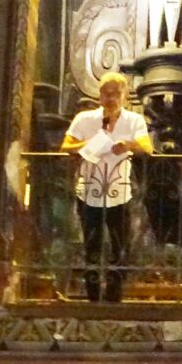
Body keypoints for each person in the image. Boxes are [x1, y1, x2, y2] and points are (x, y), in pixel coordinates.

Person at [60, 72, 153, 302]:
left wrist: (127, 144)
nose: (110, 98)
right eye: (106, 93)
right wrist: (90, 143)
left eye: (116, 93)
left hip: (119, 191)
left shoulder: (134, 120)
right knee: (91, 243)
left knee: (120, 245)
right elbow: (66, 145)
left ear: (125, 96)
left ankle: (114, 295)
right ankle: (93, 296)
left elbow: (147, 147)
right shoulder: (85, 118)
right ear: (100, 95)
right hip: (89, 189)